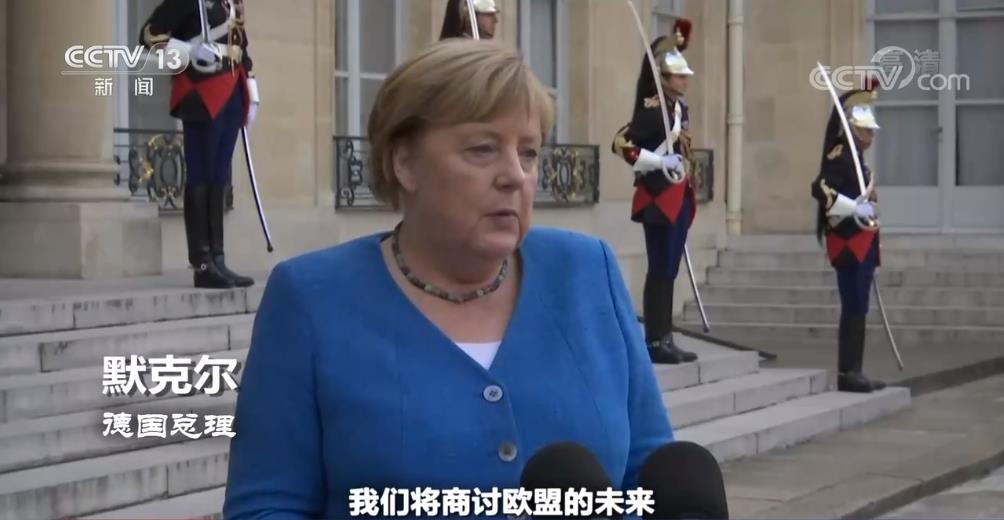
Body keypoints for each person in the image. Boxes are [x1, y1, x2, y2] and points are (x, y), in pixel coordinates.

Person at [223, 39, 673, 519]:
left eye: (528, 153)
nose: (515, 176)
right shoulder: (311, 298)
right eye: (483, 150)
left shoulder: (588, 271)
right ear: (405, 163)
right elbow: (267, 505)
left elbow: (649, 472)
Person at [139, 0, 258, 289]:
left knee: (219, 176)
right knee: (202, 175)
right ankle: (202, 263)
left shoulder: (231, 3)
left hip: (232, 90)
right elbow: (150, 36)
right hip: (201, 92)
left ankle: (217, 257)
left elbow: (240, 46)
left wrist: (251, 84)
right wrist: (188, 52)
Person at [611, 19, 698, 365]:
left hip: (678, 196)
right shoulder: (651, 110)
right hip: (658, 199)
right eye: (678, 75)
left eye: (685, 75)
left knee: (670, 270)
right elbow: (621, 144)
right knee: (660, 268)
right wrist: (658, 161)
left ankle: (666, 336)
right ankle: (655, 341)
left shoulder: (679, 109)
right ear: (662, 77)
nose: (685, 80)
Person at [811, 78, 886, 393]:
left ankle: (855, 369)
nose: (871, 135)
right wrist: (855, 208)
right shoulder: (840, 155)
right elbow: (821, 189)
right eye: (867, 130)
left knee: (860, 306)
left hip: (863, 241)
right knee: (853, 305)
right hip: (848, 242)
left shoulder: (858, 160)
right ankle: (848, 372)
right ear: (853, 128)